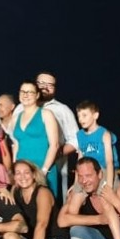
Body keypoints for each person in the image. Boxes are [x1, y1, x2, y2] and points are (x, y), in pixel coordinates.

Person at [35, 72, 80, 201]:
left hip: (55, 171)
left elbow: (76, 140)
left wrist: (58, 152)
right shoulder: (21, 108)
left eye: (50, 85)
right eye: (41, 83)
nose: (45, 87)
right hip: (26, 170)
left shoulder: (62, 110)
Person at [11, 81, 60, 198]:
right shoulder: (15, 117)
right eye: (23, 91)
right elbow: (16, 144)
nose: (25, 95)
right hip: (23, 174)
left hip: (43, 169)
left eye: (30, 92)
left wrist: (44, 171)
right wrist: (15, 170)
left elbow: (54, 145)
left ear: (37, 95)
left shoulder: (46, 114)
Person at [75, 100, 119, 190]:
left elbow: (109, 162)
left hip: (105, 171)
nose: (80, 119)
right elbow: (80, 160)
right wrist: (75, 184)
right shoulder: (79, 135)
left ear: (95, 115)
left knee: (103, 196)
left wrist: (109, 185)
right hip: (86, 173)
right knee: (74, 195)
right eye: (79, 116)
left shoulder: (104, 134)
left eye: (84, 115)